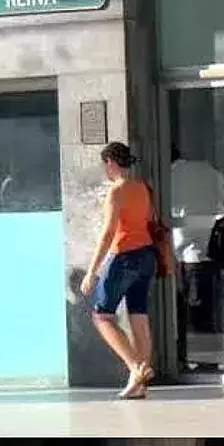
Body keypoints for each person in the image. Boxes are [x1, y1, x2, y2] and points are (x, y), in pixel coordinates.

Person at [80, 142, 161, 400]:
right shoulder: (142, 188)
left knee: (101, 316)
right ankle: (141, 382)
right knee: (139, 314)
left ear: (111, 163)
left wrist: (92, 271)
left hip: (124, 256)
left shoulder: (116, 191)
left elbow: (108, 233)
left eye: (105, 164)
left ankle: (136, 368)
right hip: (147, 255)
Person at [169, 146, 224, 373]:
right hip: (207, 249)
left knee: (188, 309)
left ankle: (192, 359)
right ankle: (207, 358)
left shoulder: (168, 175)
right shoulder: (209, 171)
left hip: (183, 252)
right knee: (205, 309)